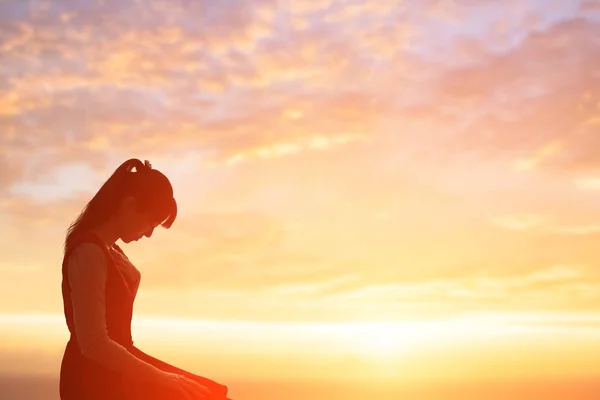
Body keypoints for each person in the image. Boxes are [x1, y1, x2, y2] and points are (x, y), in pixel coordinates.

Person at [59, 158, 230, 400]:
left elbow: (115, 315)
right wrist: (161, 378)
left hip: (116, 367)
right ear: (129, 206)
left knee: (209, 394)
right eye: (150, 223)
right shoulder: (88, 251)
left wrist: (134, 279)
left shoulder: (110, 251)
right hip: (95, 380)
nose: (148, 233)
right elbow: (93, 343)